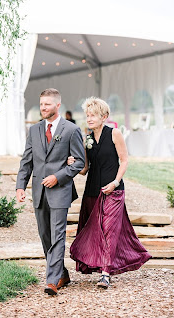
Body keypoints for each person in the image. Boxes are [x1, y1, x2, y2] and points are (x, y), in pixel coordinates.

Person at [67, 97, 150, 289]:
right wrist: (73, 163)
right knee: (96, 230)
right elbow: (85, 169)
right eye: (87, 115)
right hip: (92, 191)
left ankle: (105, 273)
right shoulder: (86, 139)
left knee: (109, 231)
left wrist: (115, 182)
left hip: (113, 190)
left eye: (93, 115)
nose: (89, 118)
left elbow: (125, 160)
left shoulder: (115, 133)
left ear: (104, 116)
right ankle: (99, 265)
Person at [16, 88, 85, 296]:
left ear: (57, 105)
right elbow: (27, 160)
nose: (43, 108)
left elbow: (79, 162)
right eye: (41, 104)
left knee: (57, 235)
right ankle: (62, 273)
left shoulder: (71, 130)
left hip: (60, 191)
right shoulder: (34, 130)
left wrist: (59, 176)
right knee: (45, 235)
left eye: (47, 104)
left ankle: (52, 280)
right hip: (38, 192)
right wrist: (20, 185)